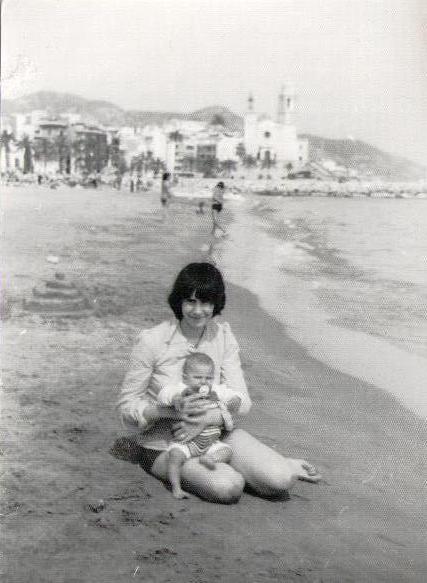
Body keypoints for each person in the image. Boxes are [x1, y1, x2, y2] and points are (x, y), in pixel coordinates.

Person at [119, 262, 320, 503]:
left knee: (281, 479)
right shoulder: (152, 341)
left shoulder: (222, 337)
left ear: (216, 303)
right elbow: (127, 406)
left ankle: (265, 465)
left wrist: (207, 418)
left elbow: (242, 402)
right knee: (228, 486)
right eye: (190, 301)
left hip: (214, 433)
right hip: (165, 442)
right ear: (179, 301)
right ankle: (225, 470)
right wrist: (170, 412)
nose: (198, 311)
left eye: (205, 302)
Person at [157, 352, 238, 499]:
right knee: (174, 456)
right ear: (185, 377)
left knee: (227, 451)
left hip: (211, 442)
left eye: (208, 378)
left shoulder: (216, 390)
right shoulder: (181, 389)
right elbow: (164, 394)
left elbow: (234, 396)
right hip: (187, 442)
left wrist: (233, 400)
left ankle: (211, 459)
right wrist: (176, 399)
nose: (203, 382)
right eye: (198, 377)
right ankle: (176, 488)